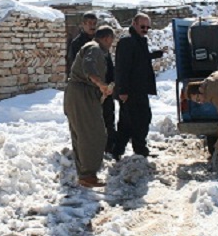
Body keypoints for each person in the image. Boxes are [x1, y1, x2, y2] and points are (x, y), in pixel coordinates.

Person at [64, 26, 116, 188]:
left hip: (78, 93)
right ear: (107, 38)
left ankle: (85, 174)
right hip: (82, 95)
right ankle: (88, 174)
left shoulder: (92, 48)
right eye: (111, 41)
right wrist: (101, 85)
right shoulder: (94, 49)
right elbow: (89, 69)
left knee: (82, 133)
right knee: (93, 133)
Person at [112, 13, 163, 159]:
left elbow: (140, 58)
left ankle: (121, 150)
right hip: (130, 91)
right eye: (143, 26)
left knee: (130, 122)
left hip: (139, 90)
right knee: (139, 120)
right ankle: (137, 150)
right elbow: (122, 67)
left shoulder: (138, 41)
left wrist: (156, 54)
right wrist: (122, 90)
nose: (145, 29)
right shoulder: (127, 42)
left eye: (148, 27)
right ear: (134, 24)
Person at [68, 11, 117, 157]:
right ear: (82, 25)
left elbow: (108, 65)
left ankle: (110, 148)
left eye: (94, 23)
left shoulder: (101, 42)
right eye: (88, 23)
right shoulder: (78, 44)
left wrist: (111, 84)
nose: (92, 26)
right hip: (88, 89)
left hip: (105, 88)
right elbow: (78, 67)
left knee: (108, 117)